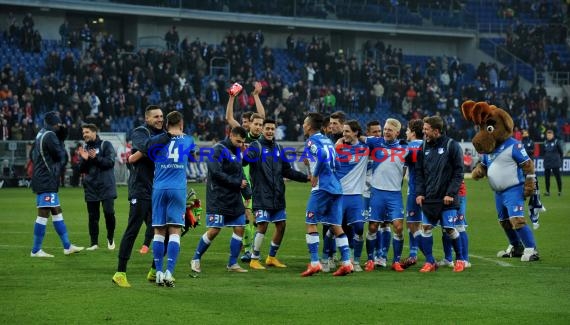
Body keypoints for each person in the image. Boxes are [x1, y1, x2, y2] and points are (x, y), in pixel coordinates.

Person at [243, 118, 309, 270]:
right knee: (263, 225)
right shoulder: (255, 146)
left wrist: (305, 178)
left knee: (281, 225)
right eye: (267, 128)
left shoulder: (279, 148)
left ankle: (271, 257)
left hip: (277, 195)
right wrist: (245, 155)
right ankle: (254, 258)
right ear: (262, 130)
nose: (270, 131)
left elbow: (287, 171)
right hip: (261, 194)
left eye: (272, 129)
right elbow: (244, 163)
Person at [112, 105, 164, 288]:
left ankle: (153, 271)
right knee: (133, 229)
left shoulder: (163, 133)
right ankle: (120, 273)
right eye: (156, 116)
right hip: (140, 189)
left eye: (162, 116)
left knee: (164, 230)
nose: (160, 119)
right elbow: (146, 147)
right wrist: (165, 140)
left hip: (157, 189)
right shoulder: (140, 131)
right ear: (147, 118)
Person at [190, 126, 252, 273]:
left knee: (240, 228)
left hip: (233, 197)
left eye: (243, 142)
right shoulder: (217, 149)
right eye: (238, 141)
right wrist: (237, 183)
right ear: (230, 135)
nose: (240, 145)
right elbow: (215, 171)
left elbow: (240, 174)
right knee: (214, 230)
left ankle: (232, 263)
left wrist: (247, 193)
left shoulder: (237, 152)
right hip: (218, 196)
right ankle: (196, 258)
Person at [300, 112, 353, 277]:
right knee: (336, 225)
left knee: (310, 221)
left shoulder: (312, 141)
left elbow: (322, 156)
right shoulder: (328, 141)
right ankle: (347, 263)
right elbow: (336, 162)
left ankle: (315, 263)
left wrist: (315, 175)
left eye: (304, 123)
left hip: (322, 187)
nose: (302, 125)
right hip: (336, 187)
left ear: (309, 126)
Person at [149, 111, 194, 287]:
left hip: (159, 188)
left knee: (159, 231)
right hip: (177, 189)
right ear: (181, 124)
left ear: (166, 124)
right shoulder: (188, 140)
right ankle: (169, 272)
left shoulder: (157, 141)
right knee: (174, 231)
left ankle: (158, 272)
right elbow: (191, 157)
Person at [415, 116, 465, 273]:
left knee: (449, 229)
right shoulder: (423, 147)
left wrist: (450, 193)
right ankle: (430, 261)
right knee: (426, 227)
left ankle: (460, 259)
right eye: (423, 129)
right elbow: (419, 173)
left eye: (426, 129)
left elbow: (458, 172)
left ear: (436, 131)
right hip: (430, 197)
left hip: (447, 198)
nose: (423, 132)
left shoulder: (452, 145)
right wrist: (420, 193)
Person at [30, 111, 84, 257]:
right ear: (54, 124)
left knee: (56, 211)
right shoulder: (50, 135)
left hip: (43, 177)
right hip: (46, 179)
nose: (60, 127)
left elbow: (32, 156)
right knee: (43, 214)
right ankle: (36, 250)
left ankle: (67, 246)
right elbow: (60, 155)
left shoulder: (40, 134)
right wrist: (61, 140)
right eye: (58, 124)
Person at [225, 81, 265, 263]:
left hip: (255, 179)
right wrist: (231, 98)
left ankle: (250, 248)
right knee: (246, 215)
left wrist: (256, 96)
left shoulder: (256, 135)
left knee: (249, 215)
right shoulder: (242, 135)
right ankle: (249, 248)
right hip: (242, 177)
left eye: (246, 122)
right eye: (243, 123)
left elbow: (262, 115)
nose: (244, 125)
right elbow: (229, 118)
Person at [362, 118, 408, 272]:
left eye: (390, 130)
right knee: (373, 226)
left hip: (394, 194)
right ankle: (370, 259)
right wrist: (342, 139)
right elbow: (358, 137)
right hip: (377, 193)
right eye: (386, 129)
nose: (387, 132)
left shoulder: (404, 148)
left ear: (397, 132)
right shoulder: (375, 142)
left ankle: (395, 261)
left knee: (398, 227)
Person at [335, 120, 369, 272]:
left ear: (355, 132)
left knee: (359, 228)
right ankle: (332, 258)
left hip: (355, 196)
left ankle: (355, 260)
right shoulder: (338, 148)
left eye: (347, 131)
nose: (344, 134)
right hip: (339, 195)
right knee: (334, 228)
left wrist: (365, 139)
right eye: (343, 132)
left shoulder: (366, 149)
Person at [78, 124, 117, 251]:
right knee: (93, 216)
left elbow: (110, 163)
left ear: (94, 132)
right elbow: (81, 169)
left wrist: (95, 158)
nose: (84, 135)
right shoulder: (85, 148)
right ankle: (94, 243)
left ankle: (110, 238)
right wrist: (84, 160)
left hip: (106, 186)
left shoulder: (105, 145)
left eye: (87, 132)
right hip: (91, 187)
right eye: (83, 133)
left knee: (109, 213)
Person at [401, 119, 423, 269]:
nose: (406, 133)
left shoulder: (410, 147)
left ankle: (422, 253)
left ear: (413, 133)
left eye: (407, 130)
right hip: (430, 190)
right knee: (421, 223)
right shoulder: (427, 145)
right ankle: (414, 254)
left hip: (415, 190)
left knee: (411, 222)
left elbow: (402, 169)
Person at [438, 180, 471, 268]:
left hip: (457, 194)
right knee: (446, 227)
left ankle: (464, 260)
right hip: (442, 194)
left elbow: (457, 174)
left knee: (459, 226)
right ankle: (448, 259)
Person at [543, 129, 564, 196]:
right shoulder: (545, 142)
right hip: (547, 162)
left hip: (555, 162)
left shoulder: (556, 141)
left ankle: (560, 191)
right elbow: (543, 152)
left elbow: (561, 152)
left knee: (557, 177)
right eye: (548, 135)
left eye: (550, 134)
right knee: (547, 178)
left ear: (553, 135)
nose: (549, 136)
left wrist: (557, 158)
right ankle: (547, 192)